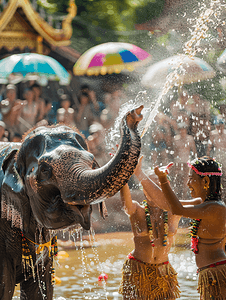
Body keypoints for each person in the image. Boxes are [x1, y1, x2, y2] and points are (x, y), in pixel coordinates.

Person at [118, 157, 202, 300]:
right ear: (144, 189)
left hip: (163, 271)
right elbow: (126, 203)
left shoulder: (174, 211)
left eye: (158, 185)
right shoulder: (137, 210)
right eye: (150, 184)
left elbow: (199, 202)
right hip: (138, 270)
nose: (154, 189)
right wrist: (123, 172)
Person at [154, 156, 226, 300]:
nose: (187, 183)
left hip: (217, 273)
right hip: (209, 273)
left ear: (205, 181)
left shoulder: (216, 208)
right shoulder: (202, 203)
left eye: (191, 178)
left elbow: (177, 209)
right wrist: (140, 175)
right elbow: (168, 205)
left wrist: (163, 180)